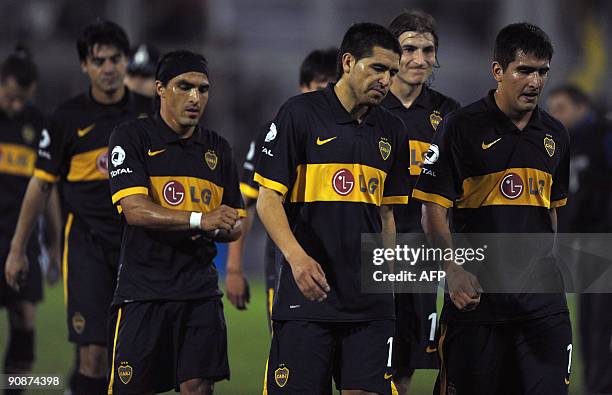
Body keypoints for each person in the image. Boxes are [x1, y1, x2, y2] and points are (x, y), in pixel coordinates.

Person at [413, 23, 571, 394]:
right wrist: (452, 270)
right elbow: (432, 211)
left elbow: (551, 213)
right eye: (524, 70)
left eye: (542, 72)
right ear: (498, 71)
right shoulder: (460, 128)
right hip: (478, 305)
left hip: (541, 306)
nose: (535, 82)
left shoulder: (556, 136)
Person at [256, 23, 411, 394]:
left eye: (392, 72)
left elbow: (387, 214)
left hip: (369, 306)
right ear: (347, 62)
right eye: (377, 68)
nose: (386, 80)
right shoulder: (298, 114)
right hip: (308, 299)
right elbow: (268, 199)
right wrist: (296, 257)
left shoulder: (393, 130)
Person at [4, 20, 151, 394]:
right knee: (92, 355)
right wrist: (19, 249)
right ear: (85, 65)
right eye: (99, 61)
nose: (108, 68)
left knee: (137, 355)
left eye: (115, 59)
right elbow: (41, 185)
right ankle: (12, 388)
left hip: (139, 249)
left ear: (124, 61)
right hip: (86, 247)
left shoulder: (150, 116)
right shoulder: (66, 119)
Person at [106, 49, 245, 395]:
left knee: (198, 387)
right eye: (184, 86)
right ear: (160, 89)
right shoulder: (131, 138)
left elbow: (235, 222)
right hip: (145, 292)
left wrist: (226, 226)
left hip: (199, 292)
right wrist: (201, 219)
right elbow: (135, 210)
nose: (196, 97)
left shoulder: (219, 149)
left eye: (203, 89)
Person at [225, 47, 337, 326]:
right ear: (302, 87)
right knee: (286, 355)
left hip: (342, 262)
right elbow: (247, 204)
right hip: (285, 261)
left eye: (332, 85)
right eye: (319, 86)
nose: (326, 94)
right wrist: (234, 267)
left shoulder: (358, 134)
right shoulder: (273, 134)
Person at [383, 11, 459, 394]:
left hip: (422, 254)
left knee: (407, 361)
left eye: (428, 50)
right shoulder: (371, 107)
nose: (419, 59)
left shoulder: (448, 114)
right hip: (373, 248)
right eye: (409, 48)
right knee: (364, 358)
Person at [0, 47, 58, 394]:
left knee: (24, 316)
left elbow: (48, 186)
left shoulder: (37, 124)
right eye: (11, 98)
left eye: (24, 99)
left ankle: (14, 390)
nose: (17, 106)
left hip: (21, 237)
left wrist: (55, 239)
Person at [547, 85, 612, 395]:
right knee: (588, 322)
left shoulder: (604, 135)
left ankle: (599, 388)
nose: (556, 116)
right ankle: (596, 386)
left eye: (561, 108)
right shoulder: (565, 143)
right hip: (586, 244)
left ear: (581, 105)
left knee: (599, 323)